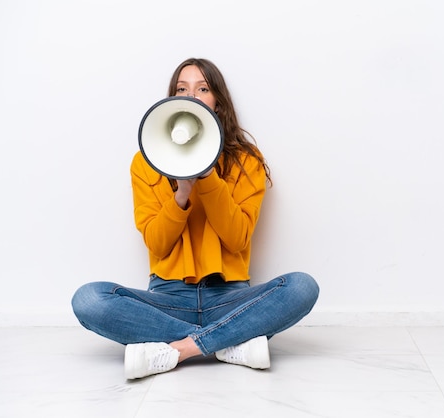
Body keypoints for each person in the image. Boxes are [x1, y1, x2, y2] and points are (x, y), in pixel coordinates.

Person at [71, 58, 319, 380]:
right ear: (172, 100)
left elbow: (237, 237)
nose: (192, 96)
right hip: (167, 299)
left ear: (217, 102)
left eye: (202, 88)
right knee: (89, 299)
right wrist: (182, 194)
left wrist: (208, 178)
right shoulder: (145, 163)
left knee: (302, 287)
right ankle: (230, 341)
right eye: (182, 89)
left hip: (229, 296)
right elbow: (157, 244)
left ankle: (179, 349)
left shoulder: (247, 161)